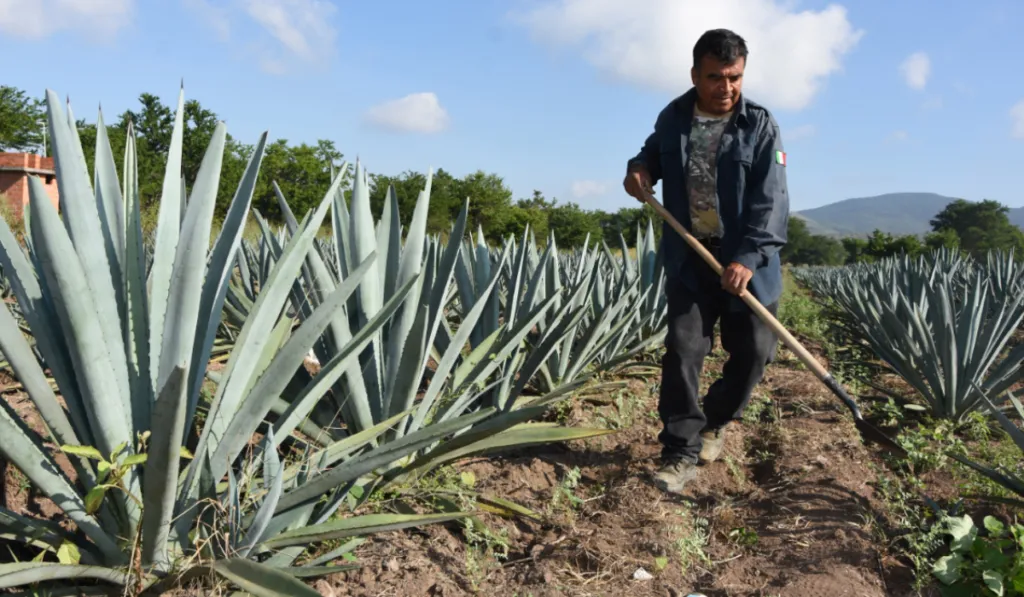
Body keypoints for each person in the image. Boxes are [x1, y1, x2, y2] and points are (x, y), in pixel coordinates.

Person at [622, 28, 789, 494]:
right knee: (683, 349)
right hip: (691, 258)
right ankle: (680, 451)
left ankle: (715, 422)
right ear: (695, 74)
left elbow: (770, 202)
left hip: (746, 263)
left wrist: (748, 257)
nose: (726, 88)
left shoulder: (759, 124)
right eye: (715, 76)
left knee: (755, 353)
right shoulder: (674, 116)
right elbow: (651, 155)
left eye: (734, 77)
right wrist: (638, 172)